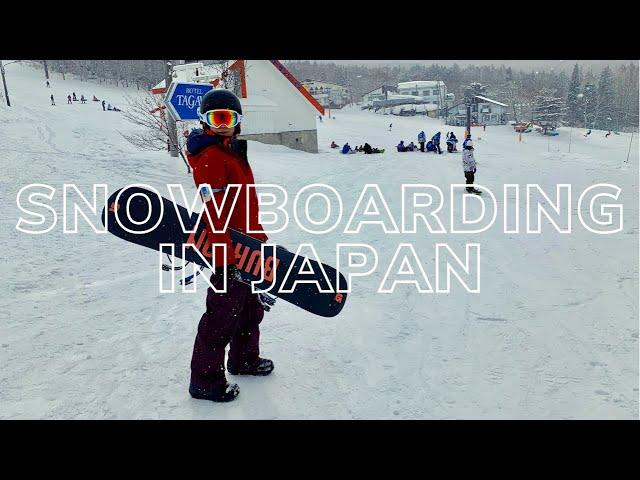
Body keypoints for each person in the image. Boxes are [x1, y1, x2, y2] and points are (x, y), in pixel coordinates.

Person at [186, 89, 274, 403]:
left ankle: (243, 359)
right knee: (221, 315)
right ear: (205, 121)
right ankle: (205, 381)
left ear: (237, 121)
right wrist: (224, 262)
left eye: (229, 118)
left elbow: (244, 205)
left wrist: (258, 241)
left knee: (250, 309)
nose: (223, 124)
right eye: (216, 118)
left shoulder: (231, 151)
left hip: (246, 247)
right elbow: (215, 214)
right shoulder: (210, 158)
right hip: (229, 253)